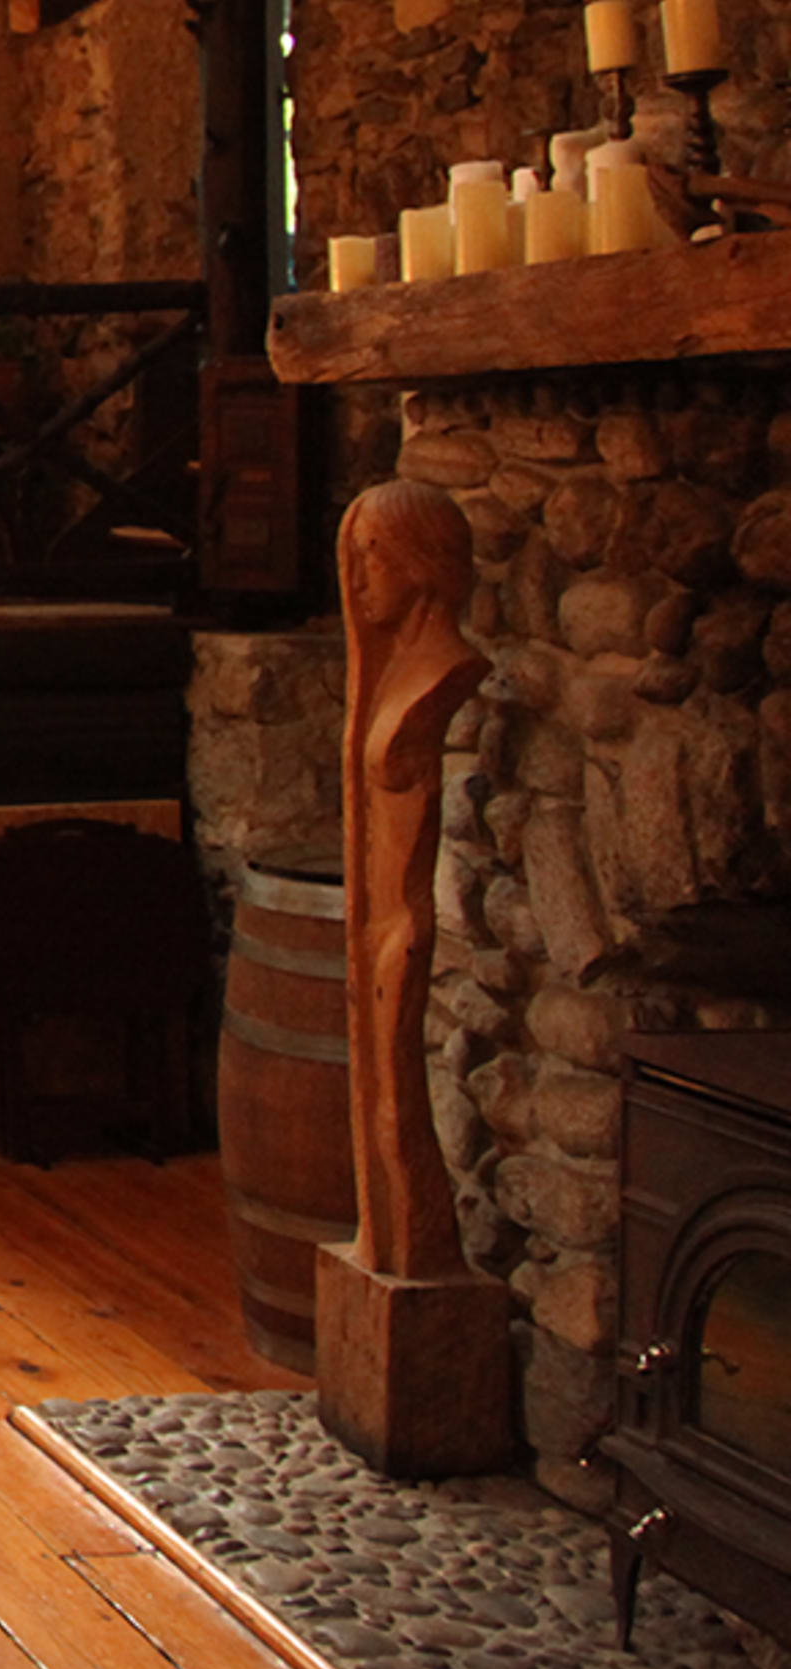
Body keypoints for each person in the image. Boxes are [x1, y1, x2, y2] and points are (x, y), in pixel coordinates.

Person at [337, 479, 488, 1282]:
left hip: (403, 929)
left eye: (374, 558)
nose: (358, 580)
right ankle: (394, 1244)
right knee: (382, 1111)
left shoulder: (446, 670)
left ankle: (417, 1249)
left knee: (398, 1112)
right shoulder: (393, 671)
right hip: (378, 928)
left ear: (422, 564)